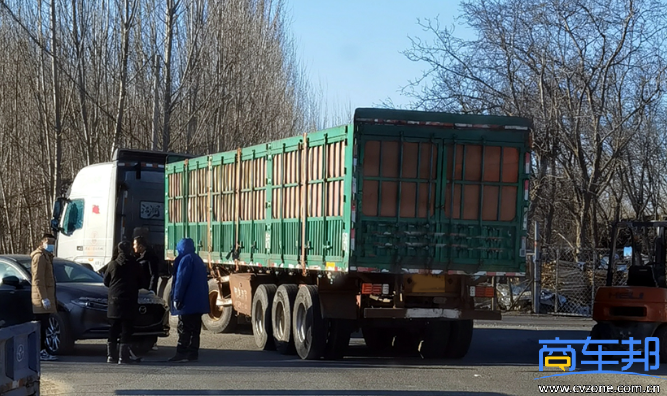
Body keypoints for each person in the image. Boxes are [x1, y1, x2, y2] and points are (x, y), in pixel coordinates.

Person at [168, 238, 210, 363]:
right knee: (195, 329)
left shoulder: (185, 260)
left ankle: (181, 352)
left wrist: (177, 298)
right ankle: (193, 353)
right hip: (199, 302)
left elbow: (181, 281)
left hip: (188, 302)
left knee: (184, 327)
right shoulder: (197, 259)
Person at [103, 241, 142, 364]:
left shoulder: (112, 264)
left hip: (114, 301)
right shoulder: (135, 264)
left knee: (113, 329)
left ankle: (111, 356)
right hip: (129, 300)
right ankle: (123, 357)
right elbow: (141, 281)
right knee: (126, 329)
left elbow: (106, 281)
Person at [31, 234, 58, 361]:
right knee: (41, 327)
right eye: (49, 242)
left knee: (45, 326)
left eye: (53, 242)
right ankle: (40, 351)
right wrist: (43, 298)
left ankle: (43, 350)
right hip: (41, 298)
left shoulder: (47, 257)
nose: (51, 245)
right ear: (42, 243)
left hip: (47, 296)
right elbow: (38, 279)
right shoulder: (40, 257)